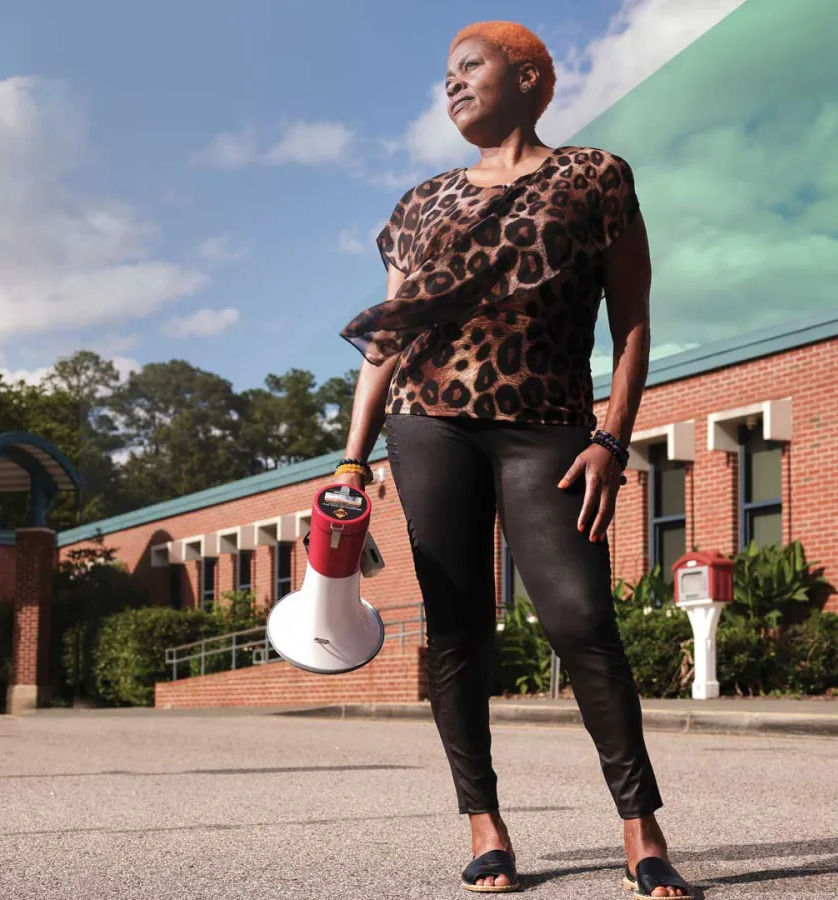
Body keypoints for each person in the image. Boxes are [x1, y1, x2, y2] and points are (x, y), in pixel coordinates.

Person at [328, 21, 692, 899]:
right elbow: (387, 341)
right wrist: (349, 459)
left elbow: (632, 321)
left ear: (528, 78)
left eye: (470, 69)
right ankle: (485, 826)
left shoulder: (595, 177)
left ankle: (642, 834)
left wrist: (613, 434)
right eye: (443, 76)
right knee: (457, 629)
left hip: (551, 425)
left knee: (579, 619)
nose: (451, 86)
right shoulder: (419, 204)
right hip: (429, 425)